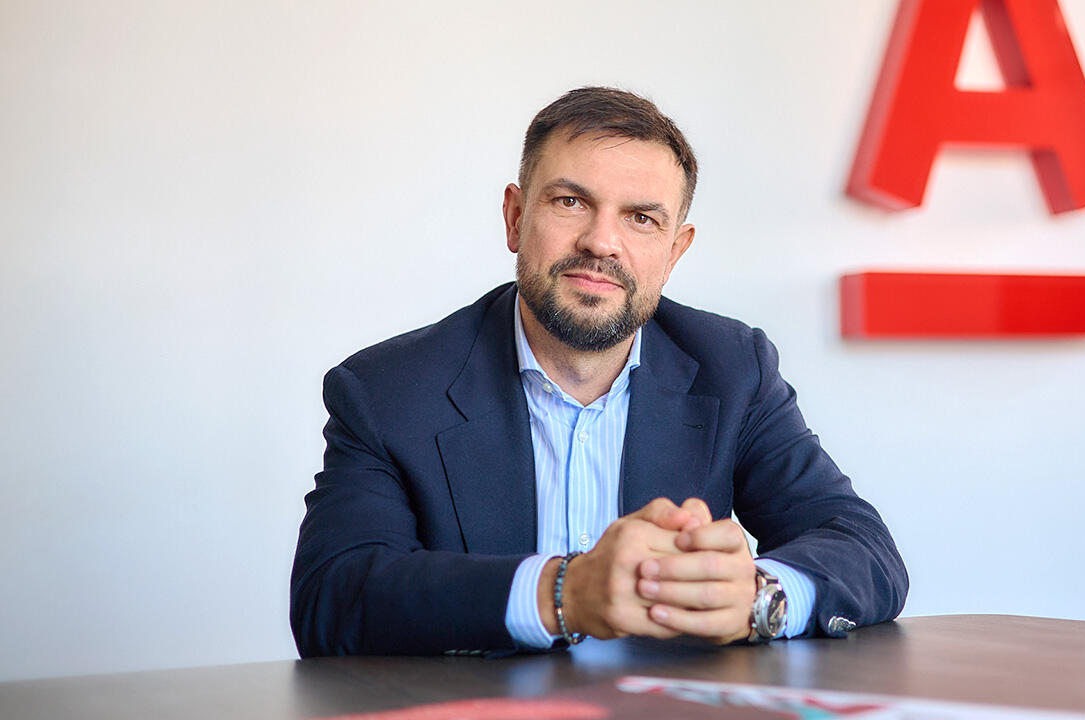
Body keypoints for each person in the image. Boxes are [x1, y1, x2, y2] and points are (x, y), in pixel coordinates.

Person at [290, 87, 907, 657]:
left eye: (642, 218)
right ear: (514, 217)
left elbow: (862, 547)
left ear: (674, 251)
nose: (601, 241)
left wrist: (757, 597)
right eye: (570, 202)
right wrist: (563, 592)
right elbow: (333, 599)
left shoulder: (732, 369)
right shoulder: (387, 390)